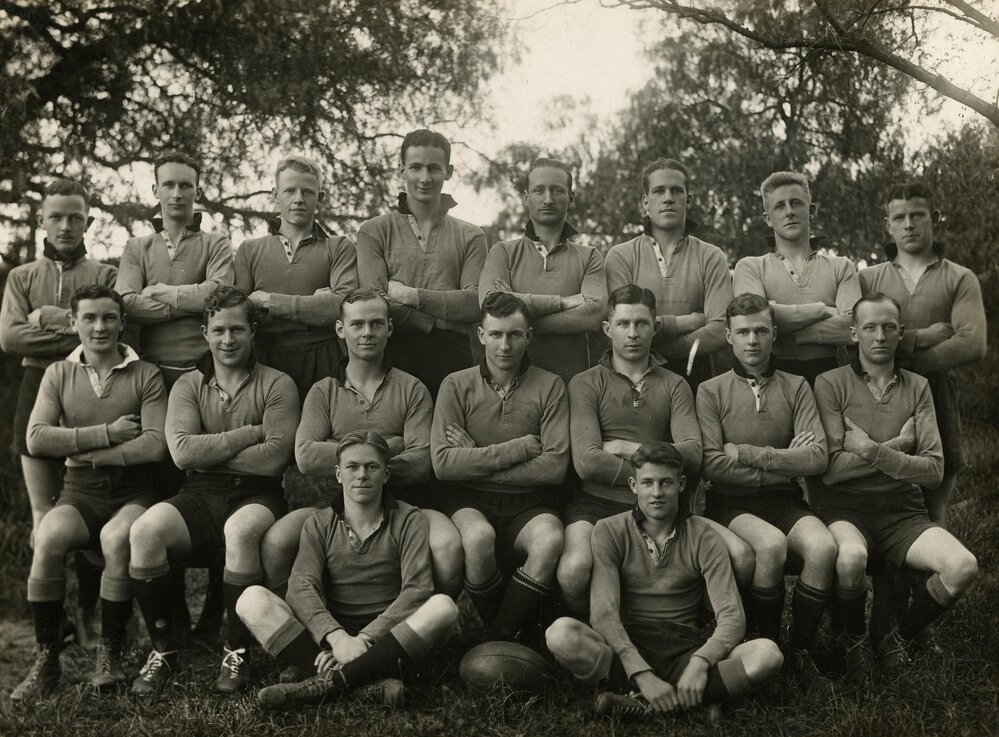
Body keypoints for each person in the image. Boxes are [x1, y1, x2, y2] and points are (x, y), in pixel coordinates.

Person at [127, 286, 300, 695]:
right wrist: (248, 434)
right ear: (204, 332)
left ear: (253, 331)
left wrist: (209, 450)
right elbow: (181, 453)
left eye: (237, 329)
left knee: (240, 532)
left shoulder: (278, 383)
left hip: (258, 493)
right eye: (218, 330)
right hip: (199, 491)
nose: (227, 340)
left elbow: (274, 458)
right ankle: (164, 651)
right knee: (143, 532)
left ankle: (236, 651)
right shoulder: (188, 384)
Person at [545, 443, 783, 719]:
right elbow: (603, 614)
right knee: (560, 634)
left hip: (684, 649)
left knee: (767, 654)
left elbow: (732, 616)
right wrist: (641, 672)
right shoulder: (608, 530)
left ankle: (638, 704)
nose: (656, 493)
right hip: (627, 646)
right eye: (648, 483)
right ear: (633, 485)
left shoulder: (705, 536)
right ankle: (693, 702)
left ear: (681, 484)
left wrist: (700, 661)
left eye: (666, 483)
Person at [10, 285, 167, 700]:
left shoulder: (146, 374)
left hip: (135, 491)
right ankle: (47, 659)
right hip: (79, 492)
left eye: (109, 318)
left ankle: (109, 654)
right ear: (72, 323)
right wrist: (108, 434)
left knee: (118, 539)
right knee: (47, 538)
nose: (100, 327)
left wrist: (92, 453)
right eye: (90, 318)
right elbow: (38, 438)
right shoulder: (58, 373)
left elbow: (154, 444)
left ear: (122, 323)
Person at [814, 292, 978, 681]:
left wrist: (872, 449)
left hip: (904, 511)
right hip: (845, 509)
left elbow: (934, 471)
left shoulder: (918, 386)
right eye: (869, 327)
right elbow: (832, 471)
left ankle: (895, 635)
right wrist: (902, 446)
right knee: (850, 558)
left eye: (889, 327)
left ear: (901, 333)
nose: (880, 335)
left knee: (963, 566)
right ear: (853, 333)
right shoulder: (829, 383)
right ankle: (854, 639)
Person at [262, 288, 463, 599]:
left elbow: (423, 461)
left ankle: (428, 625)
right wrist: (390, 447)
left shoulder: (412, 388)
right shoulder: (323, 390)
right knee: (277, 541)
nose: (367, 333)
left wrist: (342, 452)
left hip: (404, 504)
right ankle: (302, 626)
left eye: (376, 324)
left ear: (389, 329)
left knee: (447, 545)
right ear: (341, 330)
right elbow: (306, 457)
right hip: (337, 506)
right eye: (357, 325)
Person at [236, 431, 459, 709]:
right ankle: (362, 685)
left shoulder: (409, 519)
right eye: (352, 467)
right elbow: (301, 587)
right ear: (339, 474)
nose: (362, 475)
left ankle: (324, 685)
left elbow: (417, 590)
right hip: (332, 637)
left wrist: (365, 638)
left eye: (372, 467)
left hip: (388, 638)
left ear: (386, 474)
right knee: (251, 599)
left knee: (443, 607)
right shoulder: (319, 523)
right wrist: (337, 637)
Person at [115, 149, 235, 640]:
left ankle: (215, 609)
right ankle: (172, 617)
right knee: (165, 487)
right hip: (154, 380)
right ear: (156, 191)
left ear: (198, 190)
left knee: (210, 479)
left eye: (188, 185)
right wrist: (183, 302)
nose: (179, 193)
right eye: (170, 185)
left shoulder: (215, 241)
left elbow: (221, 296)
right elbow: (126, 303)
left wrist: (162, 293)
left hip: (208, 372)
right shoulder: (137, 248)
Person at [697, 292, 836, 694]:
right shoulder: (710, 390)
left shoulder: (797, 386)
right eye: (743, 332)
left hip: (785, 500)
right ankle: (763, 643)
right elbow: (711, 464)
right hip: (731, 504)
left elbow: (817, 458)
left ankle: (801, 651)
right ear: (728, 336)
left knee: (824, 548)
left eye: (760, 330)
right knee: (771, 546)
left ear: (774, 334)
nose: (752, 340)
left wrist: (752, 455)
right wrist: (784, 459)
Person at [0, 179, 118, 647]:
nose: (66, 226)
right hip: (35, 390)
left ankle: (89, 616)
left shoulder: (105, 275)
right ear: (42, 220)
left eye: (75, 217)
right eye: (56, 217)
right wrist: (73, 333)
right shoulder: (22, 276)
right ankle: (50, 626)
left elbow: (102, 334)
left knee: (89, 511)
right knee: (42, 517)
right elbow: (9, 339)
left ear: (88, 221)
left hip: (90, 389)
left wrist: (48, 318)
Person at [558, 284, 706, 616]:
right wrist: (660, 467)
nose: (633, 333)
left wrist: (628, 447)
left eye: (641, 323)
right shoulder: (585, 383)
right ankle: (585, 632)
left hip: (656, 507)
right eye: (623, 324)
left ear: (655, 327)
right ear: (608, 329)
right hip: (595, 503)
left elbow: (693, 452)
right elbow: (588, 462)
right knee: (574, 568)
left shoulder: (675, 384)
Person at [431, 292, 569, 640]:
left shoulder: (551, 385)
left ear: (529, 336)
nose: (504, 345)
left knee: (549, 539)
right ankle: (509, 634)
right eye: (495, 335)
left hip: (532, 502)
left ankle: (499, 637)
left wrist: (475, 456)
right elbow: (444, 465)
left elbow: (554, 467)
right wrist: (516, 449)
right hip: (471, 499)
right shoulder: (455, 384)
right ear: (481, 335)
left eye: (514, 334)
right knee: (477, 538)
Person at [859, 182, 986, 525]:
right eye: (899, 217)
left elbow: (972, 342)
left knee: (934, 507)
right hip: (880, 398)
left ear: (935, 217)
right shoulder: (867, 279)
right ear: (888, 224)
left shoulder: (959, 277)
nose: (909, 224)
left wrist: (896, 357)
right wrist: (919, 337)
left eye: (917, 214)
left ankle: (933, 577)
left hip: (938, 397)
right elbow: (851, 337)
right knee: (882, 502)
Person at [355, 129, 486, 398]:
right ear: (401, 170)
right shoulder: (374, 231)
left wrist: (411, 295)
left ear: (448, 171)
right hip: (393, 357)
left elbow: (475, 303)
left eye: (433, 168)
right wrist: (441, 322)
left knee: (452, 438)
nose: (424, 178)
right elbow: (375, 304)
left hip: (454, 362)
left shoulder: (471, 235)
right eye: (415, 167)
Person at [234, 154, 358, 401]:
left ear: (319, 198)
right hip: (266, 359)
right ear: (274, 194)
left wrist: (269, 301)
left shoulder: (339, 247)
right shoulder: (249, 250)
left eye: (308, 192)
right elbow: (241, 312)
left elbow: (343, 307)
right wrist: (312, 307)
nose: (299, 199)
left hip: (326, 359)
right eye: (290, 191)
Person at [604, 158, 733, 392]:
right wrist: (692, 321)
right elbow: (621, 329)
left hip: (695, 374)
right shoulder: (620, 256)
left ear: (689, 199)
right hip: (634, 377)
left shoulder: (711, 256)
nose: (668, 198)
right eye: (659, 191)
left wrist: (657, 348)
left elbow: (719, 330)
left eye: (676, 191)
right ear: (646, 202)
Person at [479, 157, 606, 385]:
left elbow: (594, 315)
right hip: (512, 383)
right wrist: (563, 302)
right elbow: (492, 306)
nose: (548, 199)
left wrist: (518, 322)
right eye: (539, 190)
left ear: (571, 198)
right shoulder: (503, 253)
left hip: (571, 384)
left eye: (557, 190)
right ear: (527, 198)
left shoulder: (589, 256)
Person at [733, 171, 861, 386]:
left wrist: (785, 328)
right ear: (767, 218)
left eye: (796, 203)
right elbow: (755, 320)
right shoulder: (750, 267)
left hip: (828, 379)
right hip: (772, 379)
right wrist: (822, 310)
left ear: (811, 210)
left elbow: (855, 328)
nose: (789, 212)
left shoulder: (841, 267)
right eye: (779, 206)